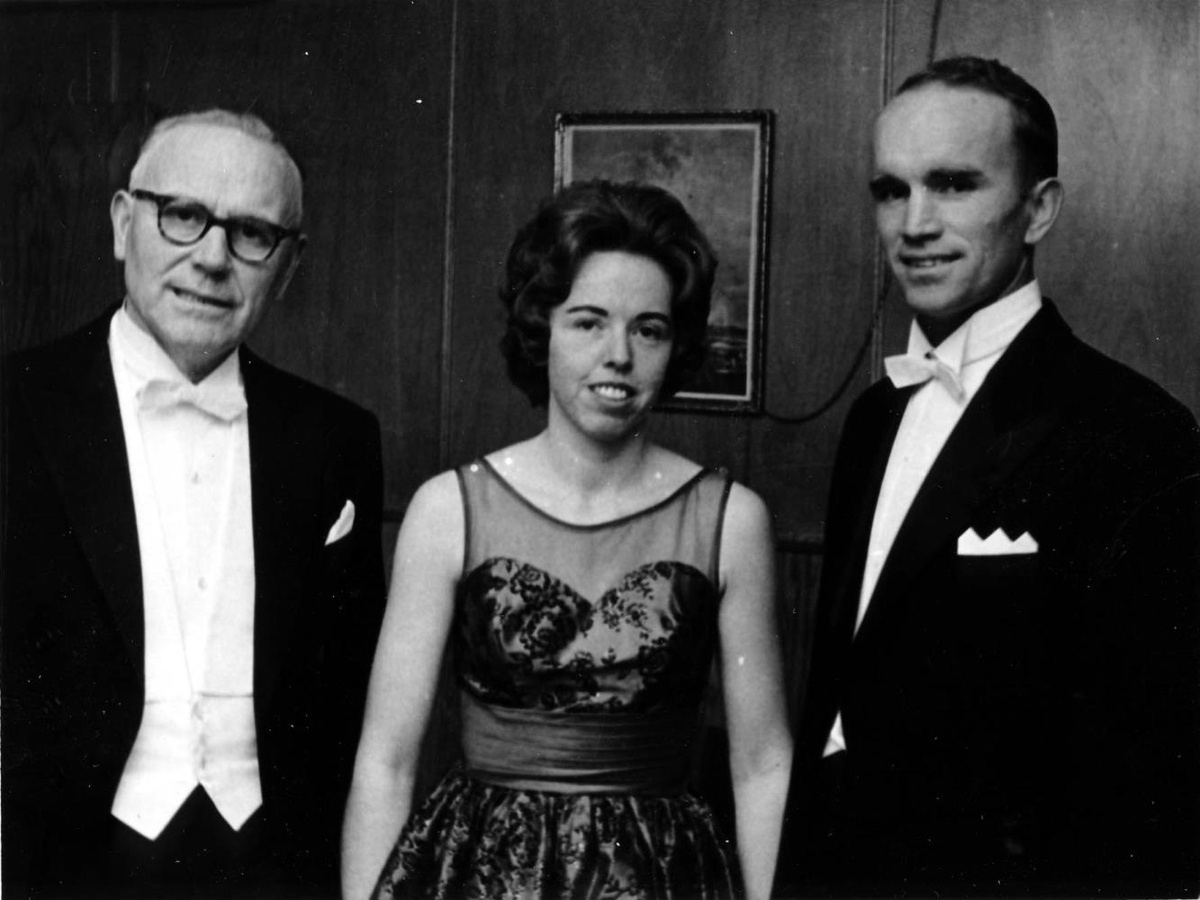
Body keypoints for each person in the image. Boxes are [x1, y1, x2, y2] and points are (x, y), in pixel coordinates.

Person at [780, 56, 1200, 898]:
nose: (915, 223)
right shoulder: (872, 418)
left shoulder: (1137, 433)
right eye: (892, 191)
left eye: (954, 184)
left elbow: (1151, 782)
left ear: (1039, 209)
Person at [342, 180, 792, 900]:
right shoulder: (447, 509)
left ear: (675, 346)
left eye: (649, 329)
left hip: (660, 879)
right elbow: (386, 762)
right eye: (588, 322)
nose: (619, 355)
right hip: (483, 875)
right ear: (541, 328)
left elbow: (763, 764)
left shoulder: (732, 519)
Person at [2, 109, 386, 898]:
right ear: (123, 224)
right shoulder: (13, 407)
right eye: (182, 215)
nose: (212, 258)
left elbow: (349, 709)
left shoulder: (336, 439)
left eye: (252, 234)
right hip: (53, 869)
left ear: (288, 266)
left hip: (276, 873)